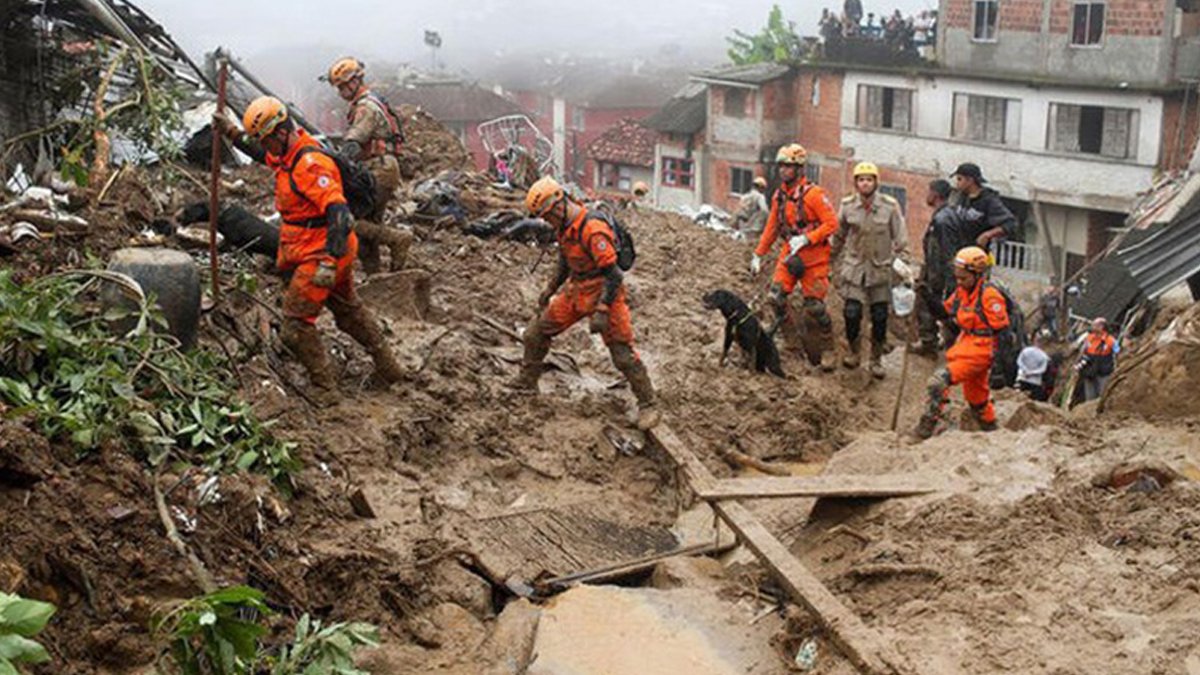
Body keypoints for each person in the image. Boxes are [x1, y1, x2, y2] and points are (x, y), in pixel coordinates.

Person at [214, 96, 404, 406]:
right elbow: (264, 155)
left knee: (296, 325)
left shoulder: (310, 165)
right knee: (348, 312)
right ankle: (390, 368)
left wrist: (329, 262)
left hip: (323, 253)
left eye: (267, 139)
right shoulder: (288, 151)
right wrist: (232, 133)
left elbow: (340, 213)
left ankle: (325, 389)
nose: (266, 146)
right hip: (319, 249)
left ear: (280, 132)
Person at [511, 177, 660, 430]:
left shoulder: (592, 228)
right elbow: (565, 259)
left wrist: (602, 309)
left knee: (622, 354)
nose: (547, 221)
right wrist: (550, 289)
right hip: (576, 289)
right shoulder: (565, 226)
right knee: (536, 333)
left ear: (557, 206)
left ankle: (648, 404)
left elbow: (614, 275)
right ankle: (527, 382)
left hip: (604, 290)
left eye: (547, 216)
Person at [750, 144, 840, 371]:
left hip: (814, 255)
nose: (783, 170)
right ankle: (792, 343)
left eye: (788, 166)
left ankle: (828, 347)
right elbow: (772, 227)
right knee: (775, 297)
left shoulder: (814, 195)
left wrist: (808, 238)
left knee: (815, 307)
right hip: (790, 252)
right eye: (781, 166)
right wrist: (758, 254)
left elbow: (832, 224)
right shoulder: (779, 196)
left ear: (799, 168)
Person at [325, 57, 412, 273]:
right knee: (368, 228)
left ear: (356, 81)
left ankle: (397, 239)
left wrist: (334, 162)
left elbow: (354, 143)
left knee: (352, 220)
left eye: (344, 86)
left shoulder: (365, 107)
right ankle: (377, 278)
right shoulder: (370, 101)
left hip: (378, 169)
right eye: (339, 88)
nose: (342, 92)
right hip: (381, 167)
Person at [913, 246, 1010, 439]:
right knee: (977, 399)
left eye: (963, 278)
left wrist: (999, 368)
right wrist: (927, 296)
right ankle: (992, 431)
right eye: (957, 277)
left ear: (978, 274)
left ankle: (925, 427)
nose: (959, 281)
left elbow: (1003, 333)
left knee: (938, 381)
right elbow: (945, 313)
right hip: (966, 344)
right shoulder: (961, 292)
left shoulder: (990, 296)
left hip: (982, 349)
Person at [833, 162, 909, 378]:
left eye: (869, 179)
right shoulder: (848, 206)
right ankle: (855, 352)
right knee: (851, 313)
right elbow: (838, 236)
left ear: (876, 182)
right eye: (861, 179)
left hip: (880, 270)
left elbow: (900, 236)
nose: (865, 183)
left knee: (879, 316)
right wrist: (829, 259)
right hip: (855, 269)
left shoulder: (889, 206)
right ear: (856, 183)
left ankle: (876, 359)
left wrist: (903, 261)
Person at [913, 179, 959, 354]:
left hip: (938, 274)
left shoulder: (942, 219)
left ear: (936, 194)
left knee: (930, 306)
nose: (927, 195)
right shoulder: (944, 215)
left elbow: (944, 251)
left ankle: (929, 342)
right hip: (936, 271)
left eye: (929, 191)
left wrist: (938, 277)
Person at [950, 163, 1017, 254]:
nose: (957, 183)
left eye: (959, 179)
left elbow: (1010, 223)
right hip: (958, 251)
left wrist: (987, 235)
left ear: (970, 180)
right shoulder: (961, 197)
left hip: (976, 255)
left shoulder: (989, 200)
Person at [1078, 317, 1118, 402]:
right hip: (1089, 370)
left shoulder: (1111, 340)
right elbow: (1083, 352)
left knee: (1102, 395)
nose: (1092, 327)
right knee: (1089, 396)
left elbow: (1118, 353)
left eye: (1095, 325)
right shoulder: (1089, 338)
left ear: (1101, 326)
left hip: (1103, 371)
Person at [1016, 334, 1051, 401]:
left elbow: (1019, 361)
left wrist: (1025, 370)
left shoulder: (1025, 350)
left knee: (1018, 398)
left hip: (1022, 377)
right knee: (1033, 401)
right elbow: (1042, 369)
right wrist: (1032, 373)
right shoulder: (1044, 356)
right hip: (1035, 382)